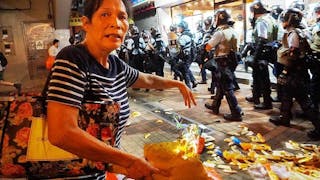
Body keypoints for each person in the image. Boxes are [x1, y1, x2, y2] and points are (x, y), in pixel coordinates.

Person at [46, 0, 196, 179]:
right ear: (86, 23)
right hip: (71, 174)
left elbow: (146, 78)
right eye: (105, 14)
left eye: (122, 17)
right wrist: (128, 161)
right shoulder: (73, 58)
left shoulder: (115, 64)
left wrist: (177, 84)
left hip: (100, 171)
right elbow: (61, 133)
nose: (115, 23)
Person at [269, 8, 320, 140]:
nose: (283, 21)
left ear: (289, 20)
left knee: (303, 100)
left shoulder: (293, 34)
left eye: (285, 19)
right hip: (298, 71)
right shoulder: (299, 31)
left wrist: (285, 72)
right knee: (286, 96)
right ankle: (284, 118)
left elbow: (293, 54)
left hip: (294, 72)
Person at [204, 9, 242, 121]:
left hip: (222, 62)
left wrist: (208, 38)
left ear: (219, 19)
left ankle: (236, 112)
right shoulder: (233, 31)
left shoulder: (220, 32)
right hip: (231, 62)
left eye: (215, 18)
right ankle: (215, 105)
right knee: (221, 85)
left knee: (227, 88)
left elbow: (208, 47)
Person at [246, 1, 278, 110]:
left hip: (261, 52)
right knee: (258, 76)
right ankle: (256, 96)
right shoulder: (271, 19)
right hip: (269, 51)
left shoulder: (261, 21)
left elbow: (262, 38)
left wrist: (255, 57)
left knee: (262, 77)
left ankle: (266, 102)